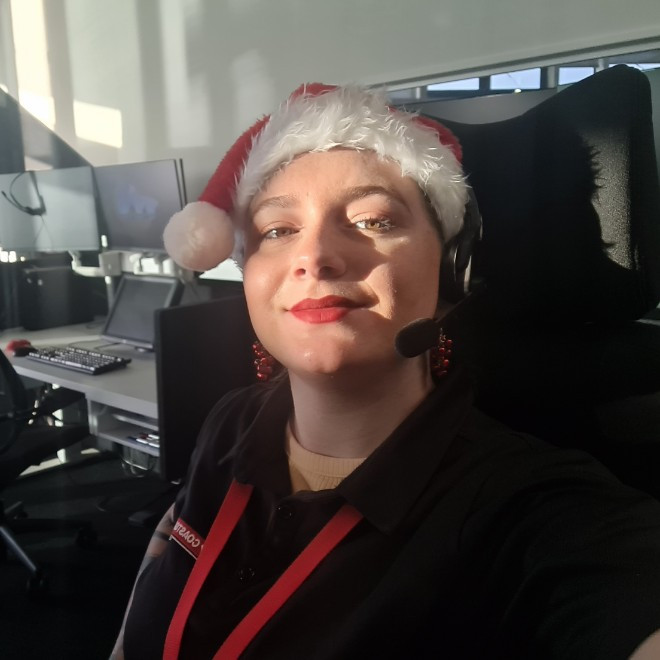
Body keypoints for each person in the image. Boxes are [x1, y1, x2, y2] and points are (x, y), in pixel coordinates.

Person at [112, 83, 660, 659]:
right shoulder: (231, 422)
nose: (314, 256)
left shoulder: (537, 517)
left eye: (373, 220)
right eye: (278, 230)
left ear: (452, 270)